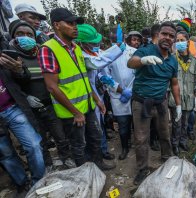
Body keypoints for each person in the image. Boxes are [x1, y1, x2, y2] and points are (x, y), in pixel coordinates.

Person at [38, 8, 115, 170]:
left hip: (87, 106)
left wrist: (96, 99)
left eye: (76, 24)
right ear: (57, 25)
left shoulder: (76, 48)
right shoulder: (48, 49)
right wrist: (75, 112)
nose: (75, 27)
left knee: (95, 138)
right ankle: (84, 174)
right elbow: (52, 87)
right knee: (79, 145)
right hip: (71, 112)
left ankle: (98, 165)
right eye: (70, 23)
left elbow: (83, 79)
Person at [9, 19, 73, 169]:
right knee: (40, 140)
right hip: (31, 108)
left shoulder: (43, 53)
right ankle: (48, 164)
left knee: (60, 135)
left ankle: (66, 158)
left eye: (29, 34)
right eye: (20, 34)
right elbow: (11, 86)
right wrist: (26, 97)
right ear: (13, 37)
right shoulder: (12, 59)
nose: (26, 37)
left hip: (50, 103)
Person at [127, 21, 181, 185]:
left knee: (165, 133)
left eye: (171, 36)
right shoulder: (145, 50)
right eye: (165, 34)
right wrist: (143, 61)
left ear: (174, 40)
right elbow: (131, 62)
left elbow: (174, 84)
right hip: (141, 102)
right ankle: (143, 169)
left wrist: (178, 105)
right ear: (158, 35)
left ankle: (167, 159)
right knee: (141, 138)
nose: (168, 38)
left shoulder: (172, 61)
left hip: (161, 102)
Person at [75, 23, 125, 161]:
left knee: (100, 125)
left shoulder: (95, 52)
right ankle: (95, 157)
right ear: (82, 43)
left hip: (100, 94)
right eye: (93, 42)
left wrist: (112, 84)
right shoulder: (81, 55)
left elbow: (103, 71)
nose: (98, 44)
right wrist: (117, 48)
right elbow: (96, 63)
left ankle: (103, 150)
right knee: (93, 129)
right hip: (89, 97)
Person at [0, 44, 45, 186]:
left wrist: (19, 69)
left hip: (13, 108)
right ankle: (22, 183)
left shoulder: (4, 54)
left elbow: (25, 78)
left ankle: (39, 181)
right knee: (6, 154)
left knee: (33, 145)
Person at [103, 31, 140, 160]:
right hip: (118, 96)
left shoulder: (133, 51)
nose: (116, 42)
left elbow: (139, 72)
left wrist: (133, 89)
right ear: (110, 39)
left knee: (137, 122)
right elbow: (104, 76)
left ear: (124, 38)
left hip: (135, 93)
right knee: (123, 125)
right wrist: (120, 90)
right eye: (113, 39)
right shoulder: (107, 54)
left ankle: (138, 146)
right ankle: (125, 147)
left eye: (118, 38)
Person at [169, 31, 196, 155]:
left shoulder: (194, 60)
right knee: (176, 123)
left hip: (189, 97)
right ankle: (175, 144)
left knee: (185, 122)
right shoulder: (171, 59)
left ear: (187, 42)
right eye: (177, 40)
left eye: (182, 40)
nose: (179, 43)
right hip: (175, 97)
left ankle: (183, 141)